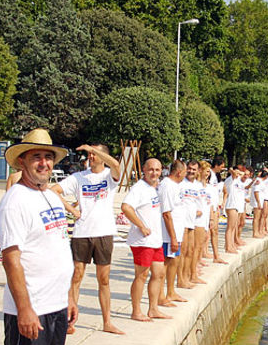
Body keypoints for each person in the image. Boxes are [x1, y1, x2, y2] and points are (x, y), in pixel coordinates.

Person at [0, 129, 76, 345]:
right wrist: (24, 309)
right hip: (30, 305)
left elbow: (59, 247)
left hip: (55, 302)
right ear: (22, 163)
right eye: (36, 157)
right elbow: (11, 259)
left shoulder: (51, 196)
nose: (44, 163)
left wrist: (69, 297)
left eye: (48, 157)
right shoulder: (14, 202)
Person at [50, 143, 124, 335]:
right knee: (76, 276)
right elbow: (53, 190)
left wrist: (95, 150)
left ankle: (107, 321)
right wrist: (72, 209)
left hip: (104, 232)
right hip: (82, 232)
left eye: (94, 154)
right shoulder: (78, 178)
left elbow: (116, 165)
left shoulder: (109, 176)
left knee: (104, 279)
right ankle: (70, 320)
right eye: (89, 154)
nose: (90, 157)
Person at [120, 158, 171, 322]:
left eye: (157, 170)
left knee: (159, 273)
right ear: (144, 169)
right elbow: (126, 207)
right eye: (151, 170)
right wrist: (141, 226)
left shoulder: (153, 188)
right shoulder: (139, 189)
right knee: (141, 275)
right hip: (143, 241)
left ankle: (153, 308)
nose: (154, 173)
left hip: (155, 239)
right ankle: (136, 311)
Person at [158, 160, 189, 305]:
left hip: (176, 231)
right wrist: (173, 238)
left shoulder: (175, 186)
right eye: (185, 172)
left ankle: (171, 292)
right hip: (168, 234)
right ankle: (161, 295)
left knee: (173, 261)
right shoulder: (167, 185)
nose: (185, 175)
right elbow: (166, 213)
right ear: (179, 172)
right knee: (165, 263)